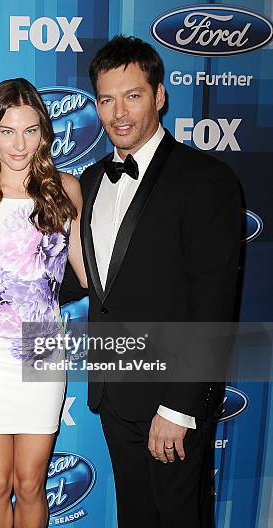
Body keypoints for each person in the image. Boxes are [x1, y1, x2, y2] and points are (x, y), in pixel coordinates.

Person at [80, 36, 242, 527]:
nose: (119, 112)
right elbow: (89, 282)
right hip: (113, 391)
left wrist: (179, 406)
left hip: (169, 402)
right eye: (107, 99)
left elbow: (214, 303)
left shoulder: (206, 180)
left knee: (179, 518)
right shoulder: (89, 180)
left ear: (160, 96)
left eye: (133, 95)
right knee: (136, 516)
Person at [0, 78, 87, 528]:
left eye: (30, 130)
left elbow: (88, 273)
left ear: (44, 134)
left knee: (30, 482)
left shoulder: (66, 190)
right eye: (8, 130)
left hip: (42, 347)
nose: (19, 143)